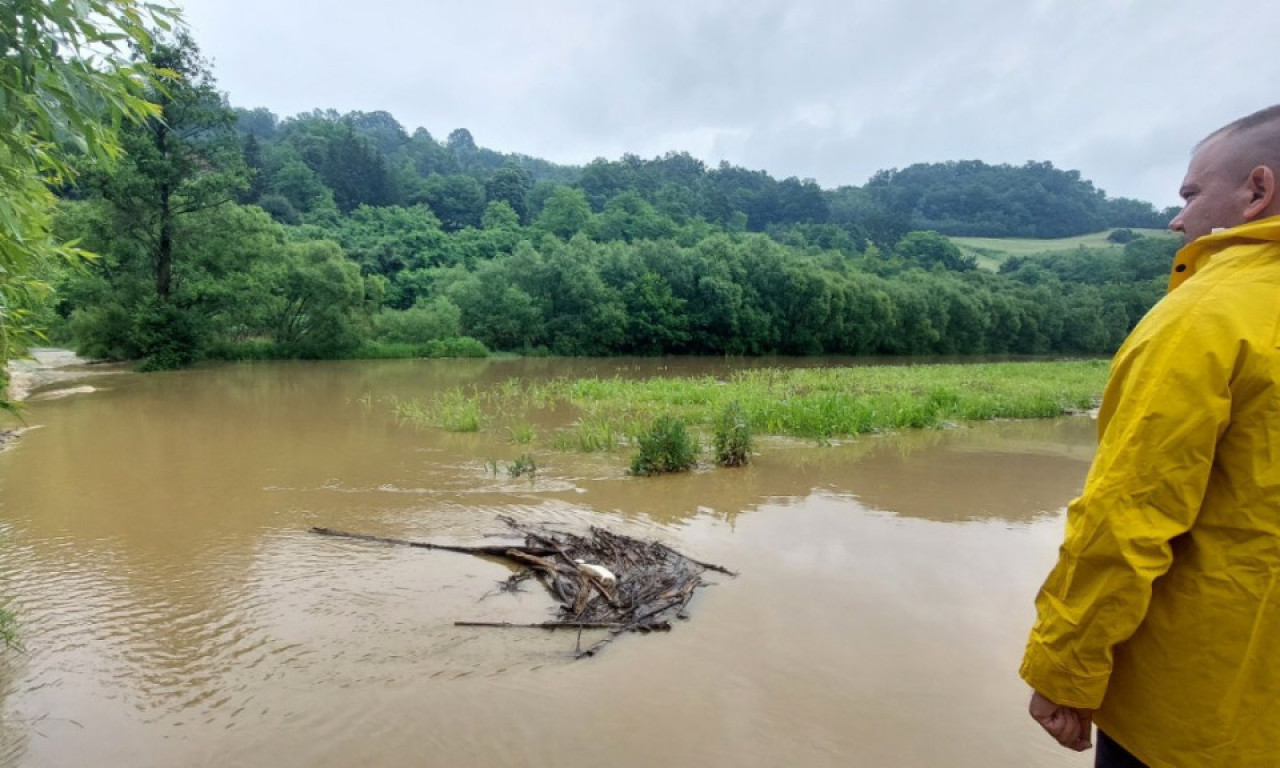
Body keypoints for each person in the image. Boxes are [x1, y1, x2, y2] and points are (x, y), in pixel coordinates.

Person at [1021, 104, 1280, 767]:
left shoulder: (1204, 319)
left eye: (1192, 193)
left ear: (1258, 190)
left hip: (1194, 713)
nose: (1178, 218)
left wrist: (1064, 667)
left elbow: (1127, 517)